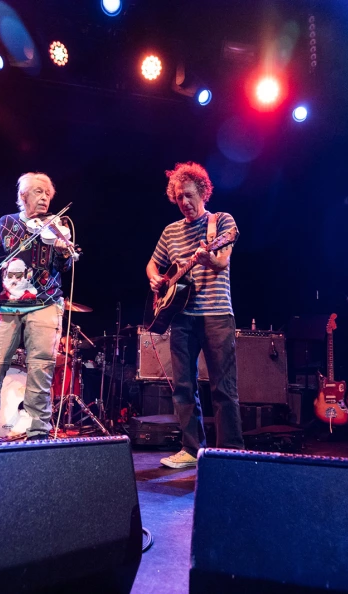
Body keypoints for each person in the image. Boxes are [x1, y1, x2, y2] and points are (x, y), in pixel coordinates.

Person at [146, 162, 244, 469]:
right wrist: (155, 279)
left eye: (189, 195)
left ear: (202, 192)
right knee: (183, 387)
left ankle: (230, 452)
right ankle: (191, 449)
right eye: (179, 197)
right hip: (181, 317)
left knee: (223, 387)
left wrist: (208, 258)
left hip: (216, 315)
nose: (184, 202)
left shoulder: (221, 222)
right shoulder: (170, 231)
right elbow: (152, 264)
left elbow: (222, 262)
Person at [0, 172, 74, 444]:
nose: (44, 197)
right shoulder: (7, 222)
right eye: (38, 192)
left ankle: (39, 432)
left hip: (45, 303)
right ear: (23, 196)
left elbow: (64, 267)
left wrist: (64, 251)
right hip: (8, 304)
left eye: (48, 193)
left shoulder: (58, 226)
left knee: (41, 368)